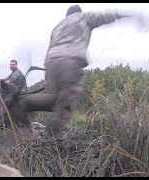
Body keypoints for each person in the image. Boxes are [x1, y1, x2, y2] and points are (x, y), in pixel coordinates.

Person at [43, 5, 142, 138]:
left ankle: (25, 106)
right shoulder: (83, 17)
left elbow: (50, 46)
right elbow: (107, 15)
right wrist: (131, 15)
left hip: (50, 63)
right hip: (69, 61)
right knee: (66, 101)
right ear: (78, 12)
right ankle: (51, 138)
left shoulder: (58, 26)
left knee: (52, 100)